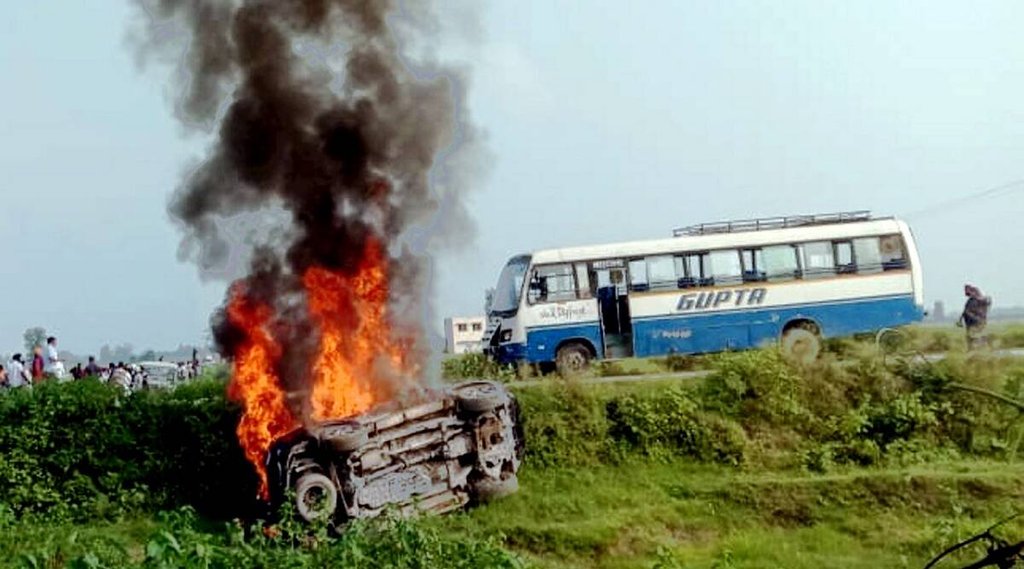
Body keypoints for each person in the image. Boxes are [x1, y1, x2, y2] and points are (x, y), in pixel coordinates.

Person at [957, 284, 993, 350]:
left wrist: (973, 317)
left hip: (976, 321)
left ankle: (979, 349)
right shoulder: (972, 300)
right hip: (975, 321)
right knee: (975, 336)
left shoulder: (976, 300)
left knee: (977, 336)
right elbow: (966, 311)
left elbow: (967, 311)